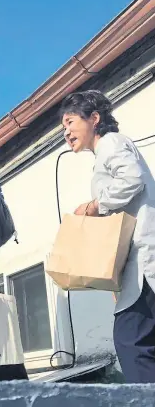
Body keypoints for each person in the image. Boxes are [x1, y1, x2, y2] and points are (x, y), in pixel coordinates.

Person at [60, 89, 155, 383]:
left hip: (145, 253)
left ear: (95, 118)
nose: (66, 132)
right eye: (63, 127)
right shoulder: (107, 150)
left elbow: (132, 179)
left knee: (131, 339)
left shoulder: (111, 142)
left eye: (70, 122)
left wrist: (94, 206)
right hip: (137, 260)